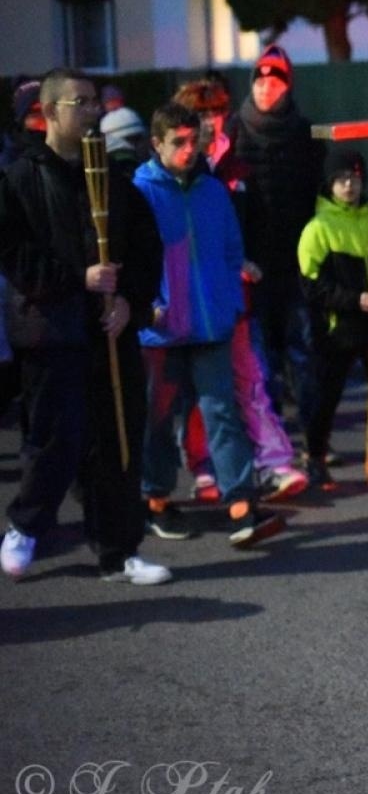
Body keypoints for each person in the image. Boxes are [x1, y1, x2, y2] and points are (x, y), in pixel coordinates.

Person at [0, 69, 171, 584]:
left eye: (97, 101)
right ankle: (25, 526)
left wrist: (130, 304)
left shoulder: (116, 179)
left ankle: (118, 550)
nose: (95, 111)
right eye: (83, 102)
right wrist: (81, 280)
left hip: (108, 330)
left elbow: (145, 250)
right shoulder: (21, 179)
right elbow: (16, 258)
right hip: (52, 330)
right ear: (51, 113)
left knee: (118, 438)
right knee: (59, 437)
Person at [135, 102, 284, 548]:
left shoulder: (213, 191)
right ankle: (155, 502)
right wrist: (149, 303)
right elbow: (133, 259)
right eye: (177, 142)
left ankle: (241, 506)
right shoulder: (140, 191)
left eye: (193, 139)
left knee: (223, 414)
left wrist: (229, 294)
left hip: (210, 324)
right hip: (160, 329)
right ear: (156, 144)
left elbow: (229, 248)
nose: (188, 149)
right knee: (156, 419)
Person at [174, 79, 308, 503]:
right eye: (202, 115)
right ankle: (203, 468)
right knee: (198, 388)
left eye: (217, 113)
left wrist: (250, 261)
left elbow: (253, 225)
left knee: (251, 379)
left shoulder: (236, 165)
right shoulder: (176, 171)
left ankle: (275, 462)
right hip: (189, 299)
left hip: (236, 296)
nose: (213, 123)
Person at [298, 148, 368, 492]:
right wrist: (354, 300)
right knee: (327, 394)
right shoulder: (318, 229)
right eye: (342, 179)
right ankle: (315, 456)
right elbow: (311, 287)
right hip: (338, 327)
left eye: (355, 178)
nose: (349, 185)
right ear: (330, 184)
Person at [224, 44, 324, 432]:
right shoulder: (234, 132)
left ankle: (314, 443)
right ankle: (271, 437)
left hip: (296, 262)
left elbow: (317, 195)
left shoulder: (304, 133)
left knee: (303, 355)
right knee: (261, 359)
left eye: (276, 79)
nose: (267, 87)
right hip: (253, 266)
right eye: (261, 78)